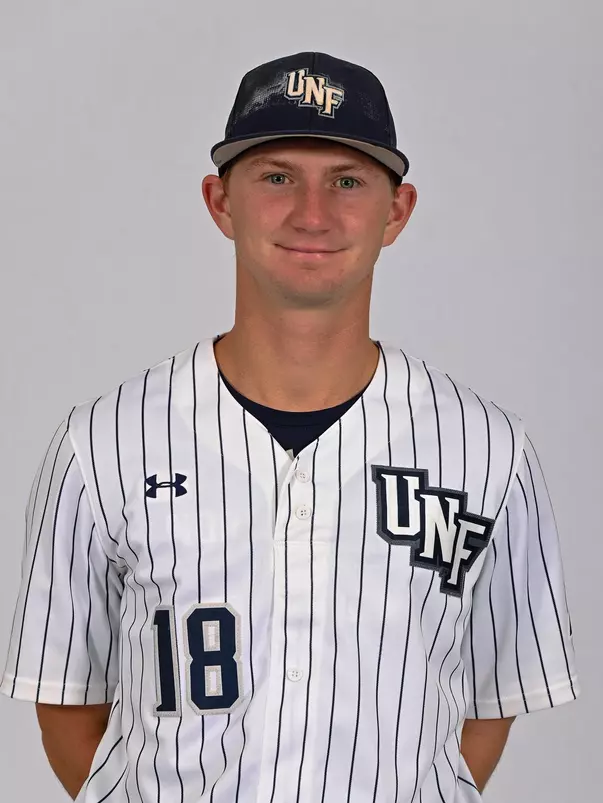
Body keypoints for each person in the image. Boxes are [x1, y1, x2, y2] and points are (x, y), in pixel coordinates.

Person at [1, 51, 579, 803]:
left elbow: (490, 703)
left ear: (395, 211)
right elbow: (66, 702)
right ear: (220, 201)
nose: (312, 213)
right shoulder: (100, 446)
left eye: (346, 181)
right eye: (277, 176)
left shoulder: (490, 453)